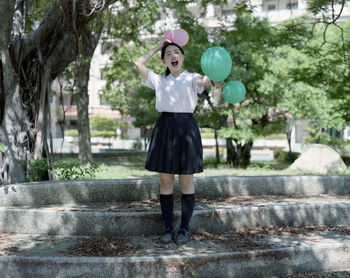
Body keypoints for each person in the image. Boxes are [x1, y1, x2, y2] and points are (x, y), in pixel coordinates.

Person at [134, 39, 224, 245]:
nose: (173, 56)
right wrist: (159, 45)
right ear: (164, 60)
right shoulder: (158, 80)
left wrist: (214, 81)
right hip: (165, 127)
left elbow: (204, 81)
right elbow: (139, 63)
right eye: (168, 54)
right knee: (165, 182)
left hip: (186, 129)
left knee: (186, 181)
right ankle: (167, 228)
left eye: (177, 53)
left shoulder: (192, 78)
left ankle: (184, 229)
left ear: (182, 57)